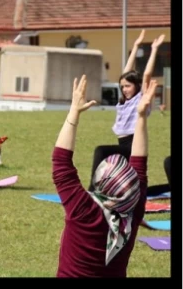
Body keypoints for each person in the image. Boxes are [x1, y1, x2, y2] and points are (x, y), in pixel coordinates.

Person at [52, 74, 154, 277]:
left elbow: (61, 163)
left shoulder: (83, 210)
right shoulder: (132, 213)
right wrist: (141, 117)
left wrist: (74, 112)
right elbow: (140, 166)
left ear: (100, 182)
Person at [88, 30, 165, 191]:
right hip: (123, 144)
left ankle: (92, 190)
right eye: (122, 86)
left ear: (137, 86)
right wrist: (135, 46)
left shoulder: (141, 98)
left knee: (101, 151)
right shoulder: (123, 101)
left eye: (128, 86)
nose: (124, 89)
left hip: (133, 144)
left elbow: (147, 75)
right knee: (134, 187)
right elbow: (125, 73)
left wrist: (155, 49)